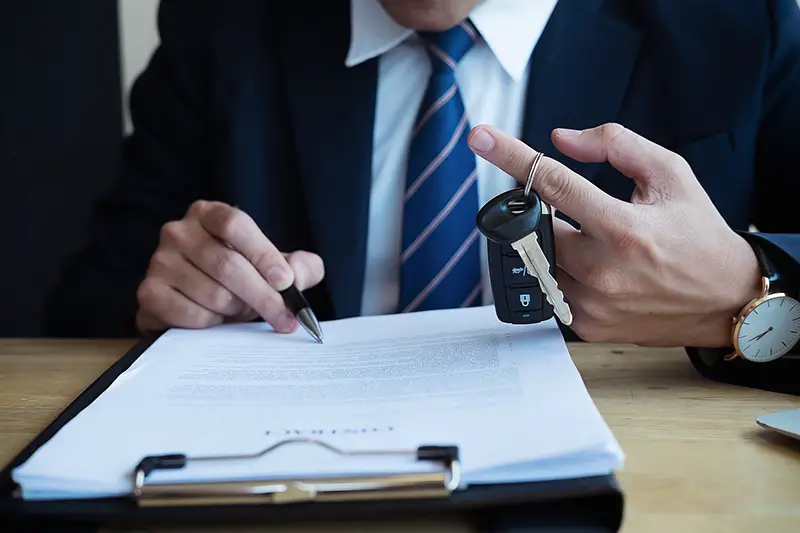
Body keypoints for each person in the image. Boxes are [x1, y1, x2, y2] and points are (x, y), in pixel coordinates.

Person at [45, 0, 800, 394]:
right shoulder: (220, 24)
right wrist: (170, 297)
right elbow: (85, 310)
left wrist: (749, 289)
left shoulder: (732, 21)